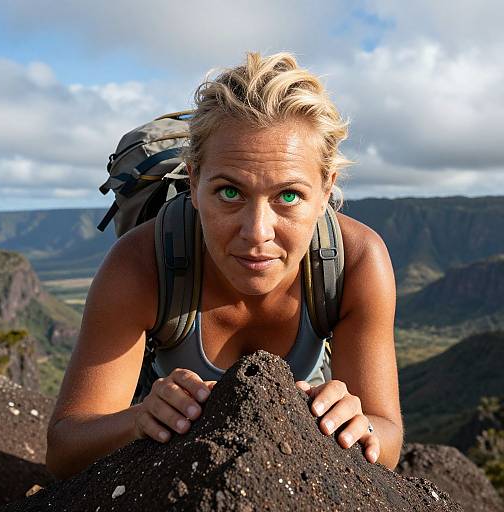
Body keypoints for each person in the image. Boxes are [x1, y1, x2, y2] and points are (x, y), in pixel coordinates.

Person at [46, 51, 403, 479]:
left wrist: (357, 425)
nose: (257, 232)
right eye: (229, 193)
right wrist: (138, 418)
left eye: (288, 196)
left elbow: (388, 437)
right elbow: (65, 450)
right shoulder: (141, 266)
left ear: (326, 189)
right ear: (193, 182)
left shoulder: (356, 261)